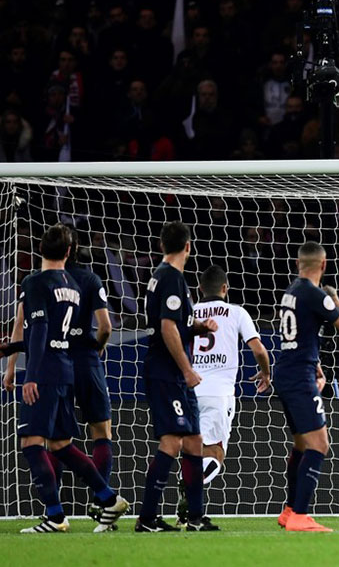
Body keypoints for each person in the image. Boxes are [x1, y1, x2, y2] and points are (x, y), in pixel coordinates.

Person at [13, 224, 129, 533]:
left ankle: (54, 515)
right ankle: (106, 497)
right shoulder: (75, 285)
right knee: (63, 443)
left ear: (39, 249)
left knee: (31, 442)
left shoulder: (35, 282)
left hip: (47, 370)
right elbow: (82, 329)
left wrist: (30, 375)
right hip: (69, 365)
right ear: (69, 251)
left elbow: (37, 330)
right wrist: (12, 347)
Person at [137, 221, 220, 532]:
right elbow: (167, 328)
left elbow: (176, 323)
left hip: (173, 373)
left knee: (195, 441)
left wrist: (198, 327)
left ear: (162, 245)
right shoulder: (170, 278)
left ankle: (195, 517)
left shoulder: (168, 279)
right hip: (167, 372)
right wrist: (187, 369)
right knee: (172, 441)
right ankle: (147, 518)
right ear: (188, 246)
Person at [174, 265, 271, 525]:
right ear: (225, 289)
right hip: (219, 394)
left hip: (190, 390)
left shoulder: (190, 313)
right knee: (215, 454)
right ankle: (188, 484)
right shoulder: (237, 312)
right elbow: (259, 349)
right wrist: (266, 373)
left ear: (199, 290)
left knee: (194, 452)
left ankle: (191, 515)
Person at [275, 242, 339, 532]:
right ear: (323, 265)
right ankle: (300, 514)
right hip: (299, 379)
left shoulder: (291, 292)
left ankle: (288, 510)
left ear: (298, 264)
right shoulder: (314, 293)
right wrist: (335, 298)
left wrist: (314, 361)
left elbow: (300, 333)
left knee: (300, 444)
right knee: (319, 444)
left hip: (287, 371)